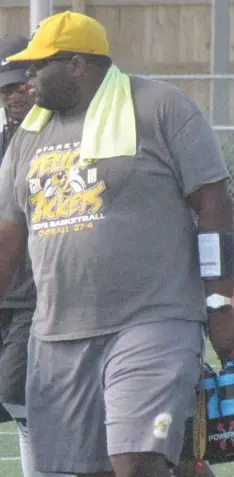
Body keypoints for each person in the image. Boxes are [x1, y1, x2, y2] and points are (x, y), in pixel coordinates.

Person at [0, 11, 234, 477]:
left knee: (137, 459)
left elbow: (214, 206)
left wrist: (218, 304)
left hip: (152, 322)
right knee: (92, 469)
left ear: (77, 64)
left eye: (38, 65)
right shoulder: (28, 138)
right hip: (58, 335)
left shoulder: (161, 107)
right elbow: (8, 235)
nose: (28, 77)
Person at [0, 34, 70, 477]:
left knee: (19, 395)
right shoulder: (7, 138)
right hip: (7, 286)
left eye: (21, 85)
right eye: (5, 89)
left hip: (34, 290)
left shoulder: (58, 137)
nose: (13, 96)